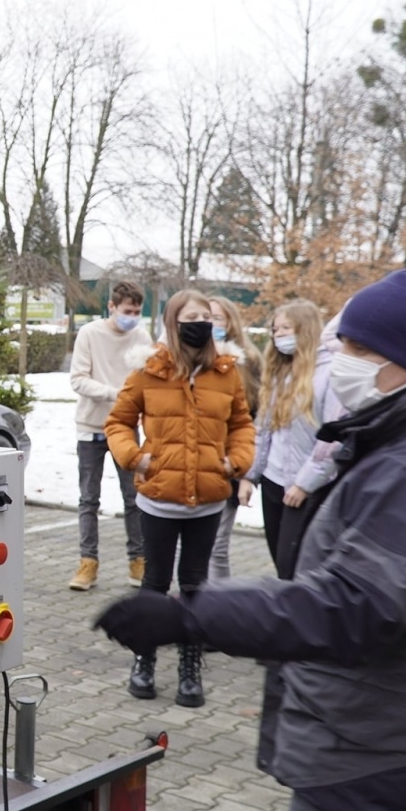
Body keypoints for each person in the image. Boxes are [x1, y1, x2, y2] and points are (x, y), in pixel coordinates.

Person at [95, 268, 406, 811]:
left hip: (376, 768)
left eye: (362, 350)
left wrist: (193, 616)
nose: (342, 359)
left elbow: (349, 608)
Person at [103, 289, 254, 706]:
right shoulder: (148, 370)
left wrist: (236, 461)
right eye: (191, 315)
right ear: (173, 322)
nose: (201, 322)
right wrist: (135, 457)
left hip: (207, 498)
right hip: (158, 498)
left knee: (195, 585)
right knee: (154, 582)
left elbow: (242, 423)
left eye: (206, 315)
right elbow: (117, 421)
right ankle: (144, 659)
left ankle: (190, 665)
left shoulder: (226, 372)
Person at [239, 299, 343, 578]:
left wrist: (304, 483)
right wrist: (250, 476)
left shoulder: (329, 373)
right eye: (276, 329)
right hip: (274, 480)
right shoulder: (279, 372)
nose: (279, 335)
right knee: (279, 558)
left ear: (305, 329)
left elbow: (334, 438)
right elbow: (263, 429)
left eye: (286, 328)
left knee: (295, 564)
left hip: (306, 486)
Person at [67, 280, 153, 591]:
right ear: (112, 307)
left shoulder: (141, 336)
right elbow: (78, 379)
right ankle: (87, 564)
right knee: (88, 499)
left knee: (134, 498)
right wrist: (116, 394)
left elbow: (150, 379)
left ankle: (139, 561)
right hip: (91, 426)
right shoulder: (90, 334)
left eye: (137, 311)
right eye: (127, 310)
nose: (132, 316)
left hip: (127, 428)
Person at [206, 295, 262, 579]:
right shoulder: (194, 358)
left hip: (230, 464)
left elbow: (256, 422)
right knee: (190, 547)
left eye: (218, 318)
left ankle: (217, 610)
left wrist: (246, 475)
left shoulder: (249, 361)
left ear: (230, 322)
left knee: (216, 547)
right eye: (207, 317)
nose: (212, 323)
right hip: (198, 462)